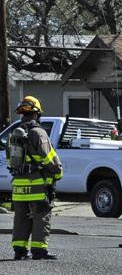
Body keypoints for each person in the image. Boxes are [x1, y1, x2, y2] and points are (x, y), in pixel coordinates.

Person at [8, 96, 62, 260]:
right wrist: (58, 173)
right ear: (37, 114)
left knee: (21, 219)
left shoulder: (13, 135)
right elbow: (49, 159)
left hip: (18, 187)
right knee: (41, 217)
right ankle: (39, 251)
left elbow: (10, 160)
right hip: (38, 186)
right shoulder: (39, 133)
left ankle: (20, 250)